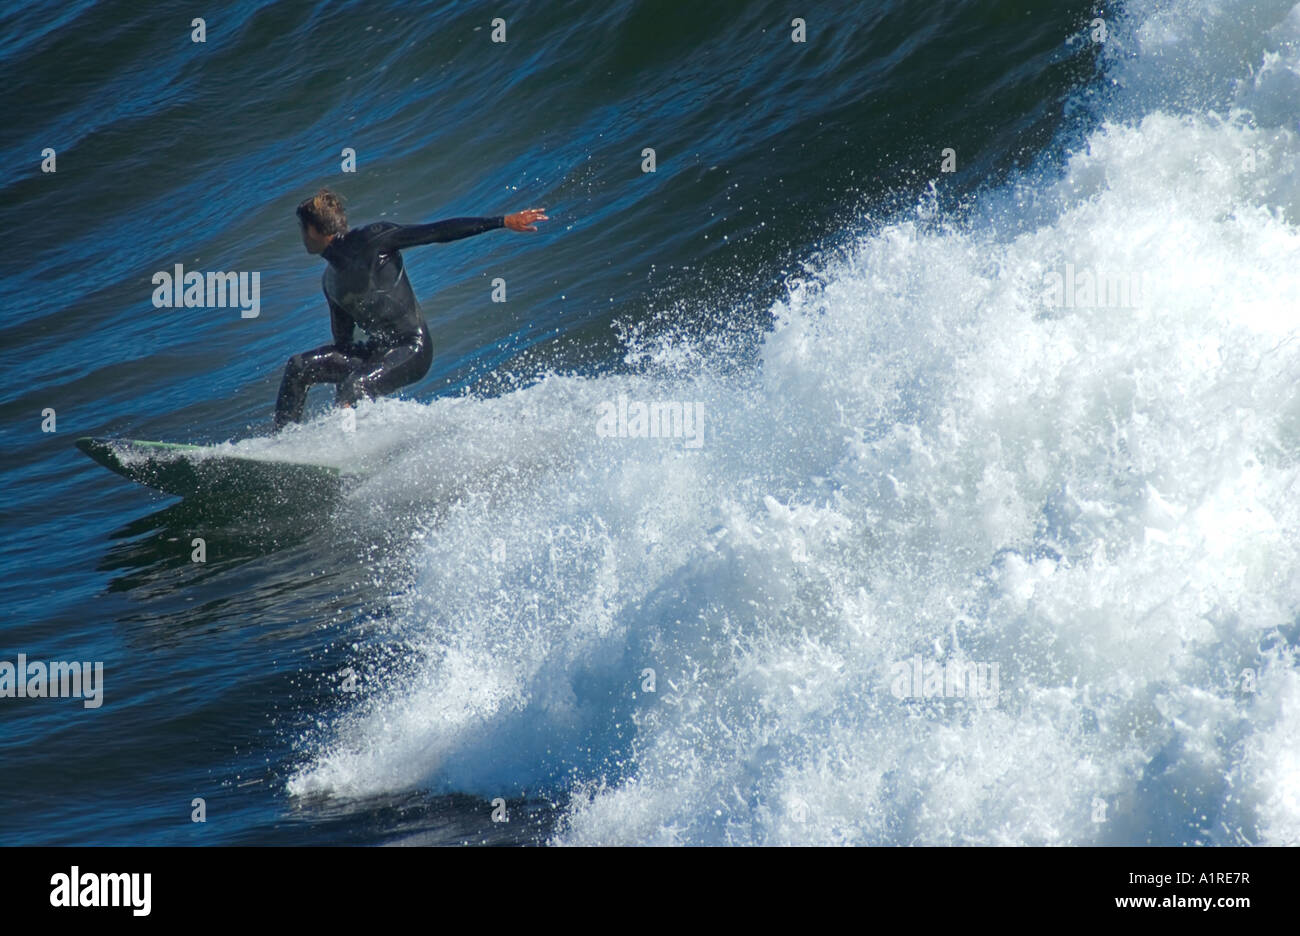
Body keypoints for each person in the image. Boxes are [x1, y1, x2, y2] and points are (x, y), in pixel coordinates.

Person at [273, 188, 547, 430]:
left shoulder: (373, 239)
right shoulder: (330, 281)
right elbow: (343, 344)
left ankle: (347, 448)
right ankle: (283, 446)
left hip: (412, 348)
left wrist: (502, 222)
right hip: (377, 352)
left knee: (353, 386)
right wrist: (339, 385)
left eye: (301, 229)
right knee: (299, 367)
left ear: (313, 230)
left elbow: (436, 232)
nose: (301, 237)